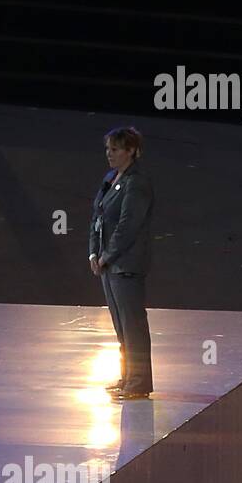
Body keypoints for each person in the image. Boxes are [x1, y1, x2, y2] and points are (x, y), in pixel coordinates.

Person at [88, 126, 155, 401]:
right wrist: (94, 253)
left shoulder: (137, 183)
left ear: (130, 151)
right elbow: (97, 216)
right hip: (108, 264)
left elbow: (128, 225)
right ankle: (128, 377)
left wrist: (107, 255)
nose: (109, 154)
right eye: (108, 149)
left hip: (125, 264)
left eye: (115, 149)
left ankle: (139, 382)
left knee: (132, 324)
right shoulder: (111, 178)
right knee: (120, 325)